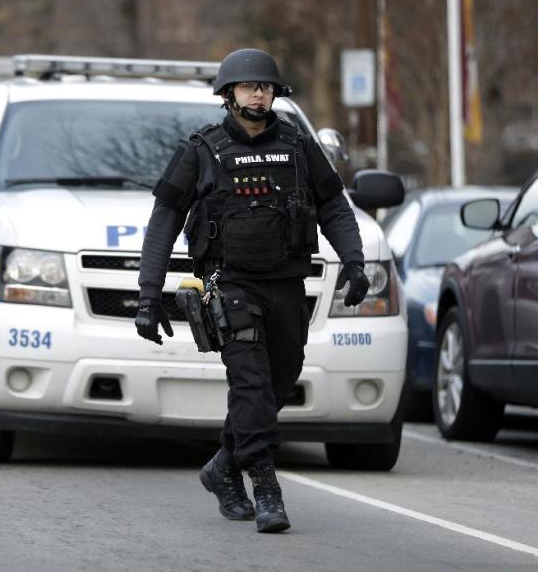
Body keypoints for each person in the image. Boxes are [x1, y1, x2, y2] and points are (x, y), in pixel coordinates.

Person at [134, 48, 369, 533]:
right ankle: (266, 487)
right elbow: (163, 223)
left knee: (281, 379)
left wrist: (355, 262)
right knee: (250, 383)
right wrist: (148, 294)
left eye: (265, 86)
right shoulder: (200, 149)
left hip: (286, 284)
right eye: (247, 86)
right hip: (230, 285)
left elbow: (335, 207)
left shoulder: (300, 147)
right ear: (228, 94)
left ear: (275, 93)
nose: (258, 93)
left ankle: (222, 467)